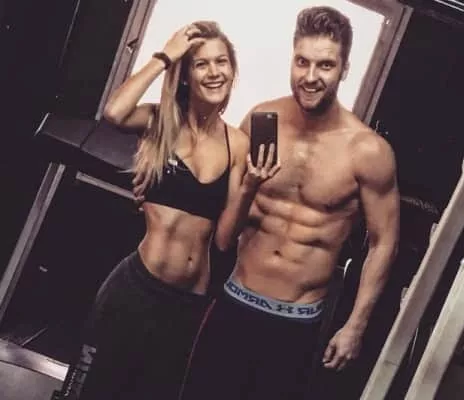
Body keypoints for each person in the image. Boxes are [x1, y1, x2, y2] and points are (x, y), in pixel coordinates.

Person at [180, 6, 400, 400]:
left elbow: (384, 243)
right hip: (233, 303)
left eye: (325, 65)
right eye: (302, 62)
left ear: (344, 69)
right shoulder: (261, 120)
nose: (310, 77)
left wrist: (356, 325)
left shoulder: (367, 151)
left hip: (296, 322)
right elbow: (221, 212)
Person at [54, 21, 278, 400]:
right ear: (186, 75)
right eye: (201, 64)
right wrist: (165, 56)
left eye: (221, 62)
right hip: (134, 290)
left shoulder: (238, 144)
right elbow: (114, 113)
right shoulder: (160, 122)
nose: (214, 72)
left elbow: (224, 240)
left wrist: (250, 187)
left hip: (187, 306)